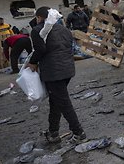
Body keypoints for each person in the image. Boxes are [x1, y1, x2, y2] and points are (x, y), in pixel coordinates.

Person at [27, 7, 87, 144]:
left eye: (37, 18)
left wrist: (32, 62)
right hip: (67, 70)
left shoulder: (37, 31)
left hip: (53, 72)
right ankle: (53, 133)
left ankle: (79, 132)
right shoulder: (65, 30)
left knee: (63, 102)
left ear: (39, 17)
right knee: (55, 101)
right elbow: (68, 47)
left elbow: (41, 49)